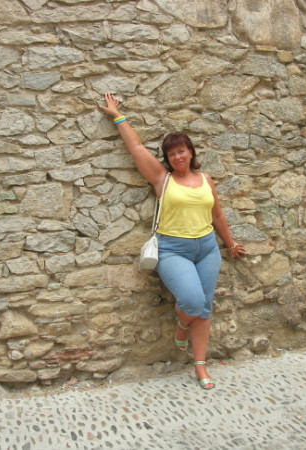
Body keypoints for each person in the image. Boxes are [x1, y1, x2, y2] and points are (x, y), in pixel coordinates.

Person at [99, 93, 246, 390]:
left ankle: (200, 365)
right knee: (193, 302)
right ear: (167, 159)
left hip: (207, 249)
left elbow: (217, 215)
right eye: (172, 154)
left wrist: (230, 244)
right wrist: (118, 116)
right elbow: (137, 148)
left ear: (190, 152)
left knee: (204, 308)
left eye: (181, 151)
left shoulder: (206, 179)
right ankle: (182, 325)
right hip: (173, 249)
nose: (178, 157)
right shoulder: (162, 179)